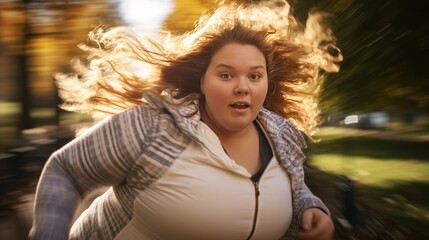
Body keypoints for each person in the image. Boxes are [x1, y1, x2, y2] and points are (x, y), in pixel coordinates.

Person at [30, 0, 341, 239]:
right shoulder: (152, 129)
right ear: (202, 82)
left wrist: (310, 209)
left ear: (267, 85)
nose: (242, 86)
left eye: (255, 76)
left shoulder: (282, 136)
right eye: (226, 74)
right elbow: (67, 170)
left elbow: (290, 187)